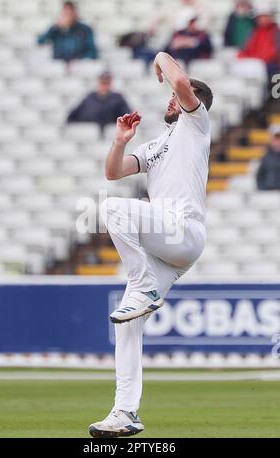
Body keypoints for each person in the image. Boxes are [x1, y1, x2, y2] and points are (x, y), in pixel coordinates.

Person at [89, 51, 213, 437]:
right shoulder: (159, 144)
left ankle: (142, 285)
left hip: (184, 231)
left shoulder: (197, 124)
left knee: (113, 210)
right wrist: (119, 141)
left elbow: (179, 82)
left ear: (195, 102)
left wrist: (160, 57)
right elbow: (113, 172)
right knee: (128, 326)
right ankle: (125, 413)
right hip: (168, 248)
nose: (172, 99)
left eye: (183, 95)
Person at [67, 71, 131, 131]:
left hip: (112, 135)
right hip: (90, 134)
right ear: (98, 83)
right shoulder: (89, 98)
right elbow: (73, 116)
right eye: (103, 83)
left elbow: (127, 116)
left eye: (107, 83)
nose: (104, 86)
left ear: (110, 84)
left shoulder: (118, 99)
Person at [238, 5, 280, 76]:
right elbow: (246, 49)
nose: (262, 19)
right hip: (254, 66)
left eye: (265, 16)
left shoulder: (276, 32)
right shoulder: (253, 32)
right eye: (260, 17)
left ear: (271, 17)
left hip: (272, 67)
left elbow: (273, 53)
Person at [257, 124, 280, 190]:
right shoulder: (266, 157)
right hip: (268, 192)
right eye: (275, 138)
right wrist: (262, 189)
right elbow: (259, 176)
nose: (277, 141)